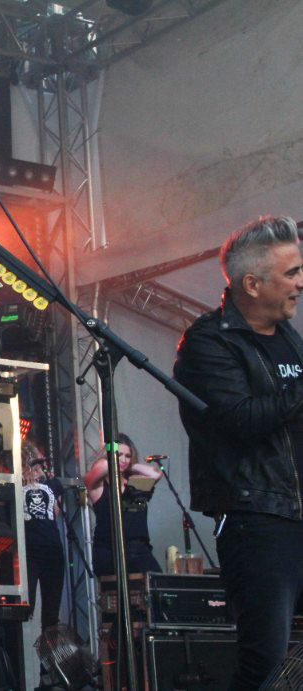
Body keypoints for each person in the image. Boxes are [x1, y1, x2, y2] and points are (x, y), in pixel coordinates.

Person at [174, 216, 303, 691]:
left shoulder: (287, 337)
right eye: (291, 273)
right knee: (266, 662)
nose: (301, 283)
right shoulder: (208, 342)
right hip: (258, 518)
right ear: (252, 284)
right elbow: (240, 420)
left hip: (295, 510)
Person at [85, 432, 162, 577]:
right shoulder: (99, 485)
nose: (123, 459)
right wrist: (112, 455)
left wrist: (131, 465)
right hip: (110, 551)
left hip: (140, 550)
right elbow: (102, 467)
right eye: (118, 454)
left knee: (157, 585)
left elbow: (156, 474)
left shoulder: (135, 483)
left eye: (127, 456)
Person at [21, 439, 65, 631]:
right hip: (28, 551)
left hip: (52, 550)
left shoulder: (51, 482)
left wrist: (41, 483)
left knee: (51, 615)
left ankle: (49, 649)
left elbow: (55, 512)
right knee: (25, 607)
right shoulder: (15, 481)